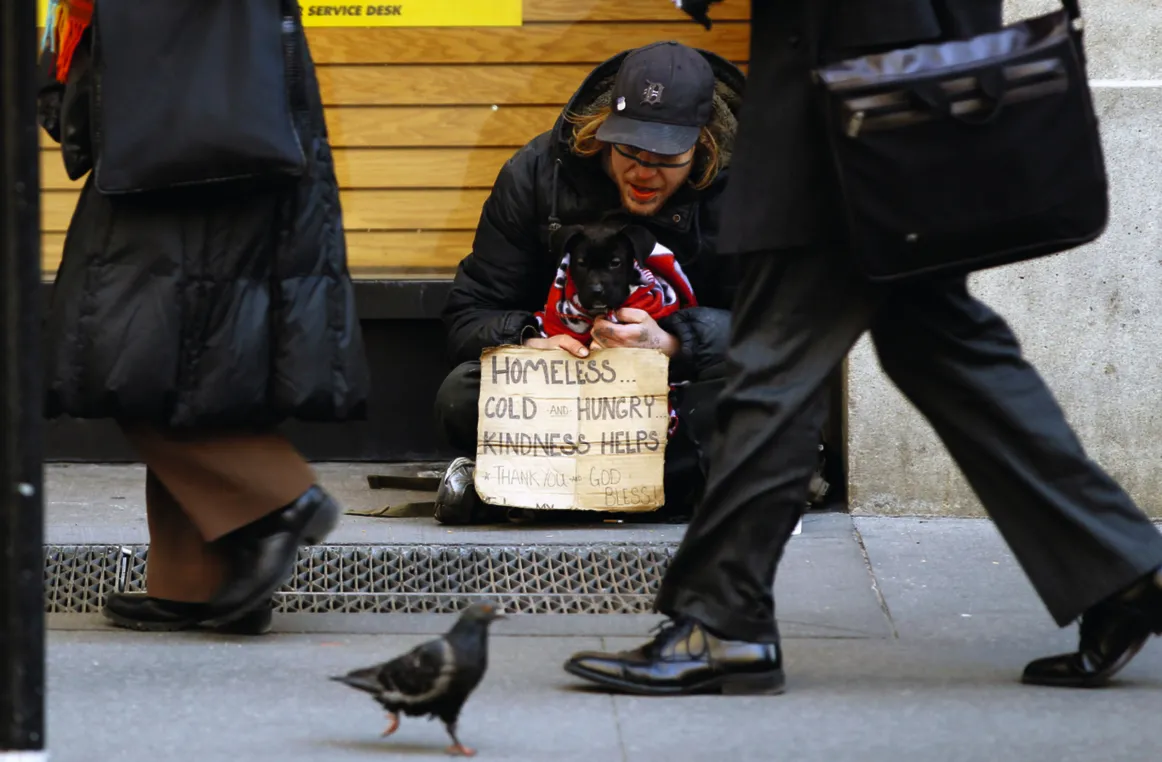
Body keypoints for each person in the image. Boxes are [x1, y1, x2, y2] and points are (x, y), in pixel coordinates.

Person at [564, 0, 1162, 694]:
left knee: (773, 362)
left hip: (851, 103)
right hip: (898, 91)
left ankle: (722, 621)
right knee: (937, 345)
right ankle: (1122, 570)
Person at [36, 1, 369, 635]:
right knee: (194, 361)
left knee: (121, 356)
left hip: (181, 128)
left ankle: (277, 498)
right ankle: (198, 581)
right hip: (211, 119)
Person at [435, 41, 807, 525]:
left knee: (750, 407)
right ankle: (679, 485)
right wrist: (530, 338)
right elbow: (468, 315)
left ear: (705, 144)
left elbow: (786, 330)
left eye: (667, 157)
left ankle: (531, 487)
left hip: (683, 390)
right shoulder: (534, 175)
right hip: (562, 390)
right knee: (460, 397)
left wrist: (675, 342)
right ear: (602, 131)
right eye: (629, 149)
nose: (644, 172)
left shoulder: (754, 187)